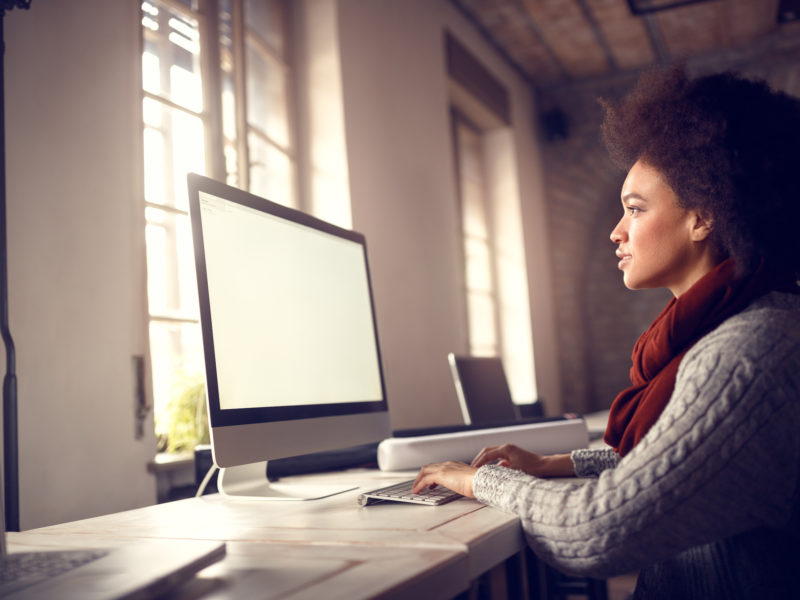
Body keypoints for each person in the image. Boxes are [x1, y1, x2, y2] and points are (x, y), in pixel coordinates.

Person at [412, 66, 800, 598]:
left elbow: (595, 532)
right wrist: (555, 463)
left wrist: (478, 480)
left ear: (704, 216)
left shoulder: (748, 351)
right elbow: (689, 461)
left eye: (635, 209)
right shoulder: (738, 321)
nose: (616, 233)